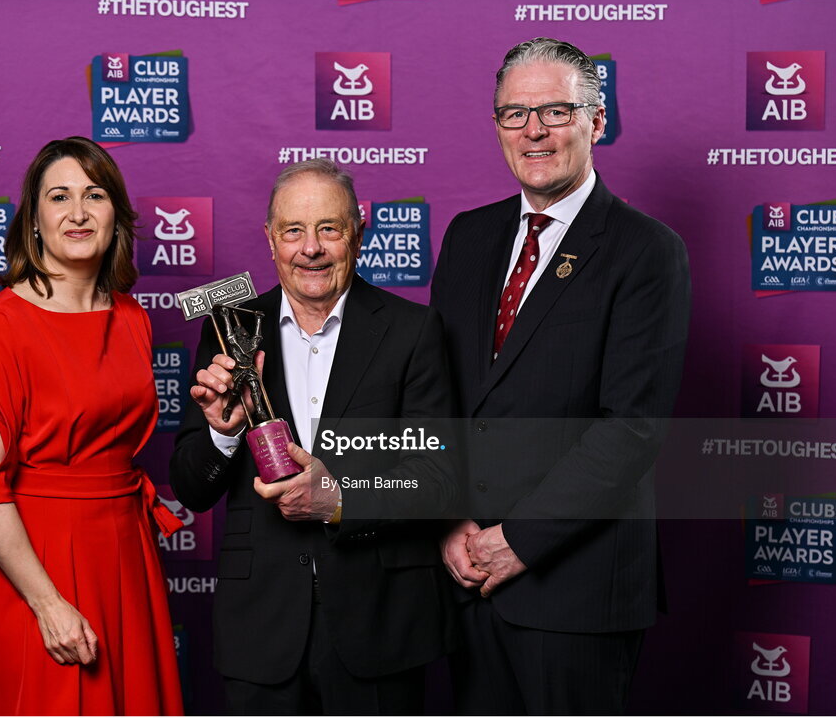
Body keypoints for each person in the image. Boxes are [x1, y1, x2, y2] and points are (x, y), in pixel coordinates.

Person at [430, 38, 691, 714]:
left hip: (576, 590)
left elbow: (630, 428)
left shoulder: (645, 251)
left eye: (554, 110)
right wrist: (448, 518)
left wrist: (517, 540)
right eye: (514, 114)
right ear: (496, 127)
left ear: (596, 121)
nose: (533, 131)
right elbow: (439, 397)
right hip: (466, 581)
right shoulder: (467, 237)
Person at [169, 159, 456, 715]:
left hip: (380, 627)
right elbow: (190, 486)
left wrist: (342, 499)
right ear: (270, 238)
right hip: (261, 629)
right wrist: (223, 436)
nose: (311, 249)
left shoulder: (413, 331)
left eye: (330, 228)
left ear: (359, 231)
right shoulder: (229, 330)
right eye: (293, 231)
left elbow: (438, 479)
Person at [0, 136, 184, 715]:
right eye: (59, 196)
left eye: (94, 195)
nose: (78, 212)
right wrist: (48, 604)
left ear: (116, 216)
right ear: (35, 221)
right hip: (32, 565)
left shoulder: (131, 316)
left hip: (123, 551)